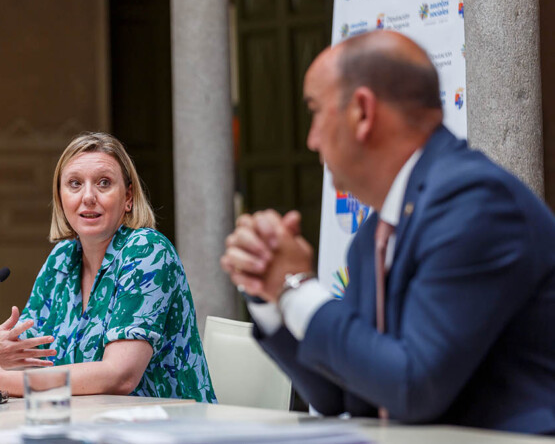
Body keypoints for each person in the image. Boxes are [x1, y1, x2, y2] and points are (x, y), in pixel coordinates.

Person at [221, 30, 555, 434]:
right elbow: (340, 394)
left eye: (315, 111)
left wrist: (295, 286)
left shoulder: (475, 202)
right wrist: (268, 293)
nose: (311, 141)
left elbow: (414, 386)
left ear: (363, 112)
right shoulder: (375, 234)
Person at [0, 132, 216, 403]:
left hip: (169, 422)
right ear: (61, 198)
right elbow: (26, 360)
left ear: (128, 197)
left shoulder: (148, 250)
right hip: (87, 421)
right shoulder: (62, 259)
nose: (88, 196)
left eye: (104, 183)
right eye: (74, 184)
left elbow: (120, 376)